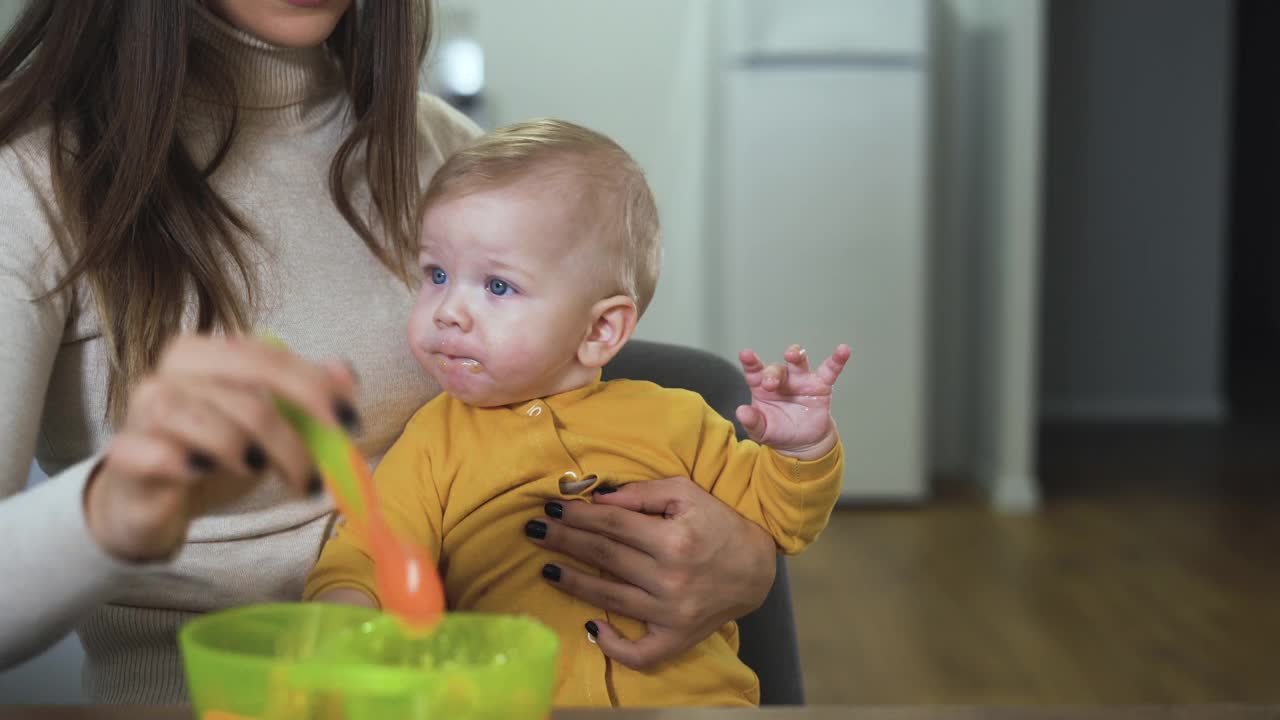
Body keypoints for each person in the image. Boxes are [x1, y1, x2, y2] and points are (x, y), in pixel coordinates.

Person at [0, 0, 778, 704]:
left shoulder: (446, 153)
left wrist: (747, 564)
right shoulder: (32, 181)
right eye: (432, 276)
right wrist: (113, 505)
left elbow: (581, 415)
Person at [306, 119, 850, 707]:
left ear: (599, 329)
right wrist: (347, 620)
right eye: (436, 275)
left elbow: (781, 516)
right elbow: (370, 549)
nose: (448, 312)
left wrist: (800, 449)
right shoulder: (433, 439)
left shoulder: (679, 420)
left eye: (496, 286)